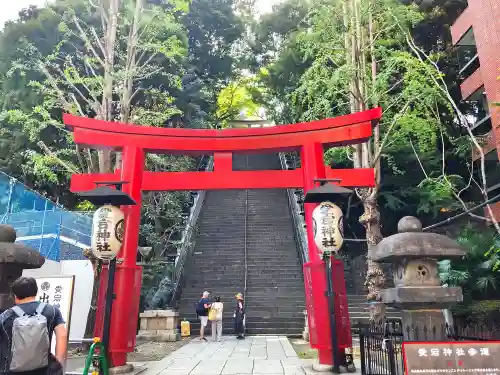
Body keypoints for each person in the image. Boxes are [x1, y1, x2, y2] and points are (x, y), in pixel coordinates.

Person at [0, 276, 68, 375]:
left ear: (15, 295)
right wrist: (58, 365)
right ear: (36, 292)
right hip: (43, 369)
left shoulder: (5, 316)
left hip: (10, 371)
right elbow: (62, 335)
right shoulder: (52, 311)